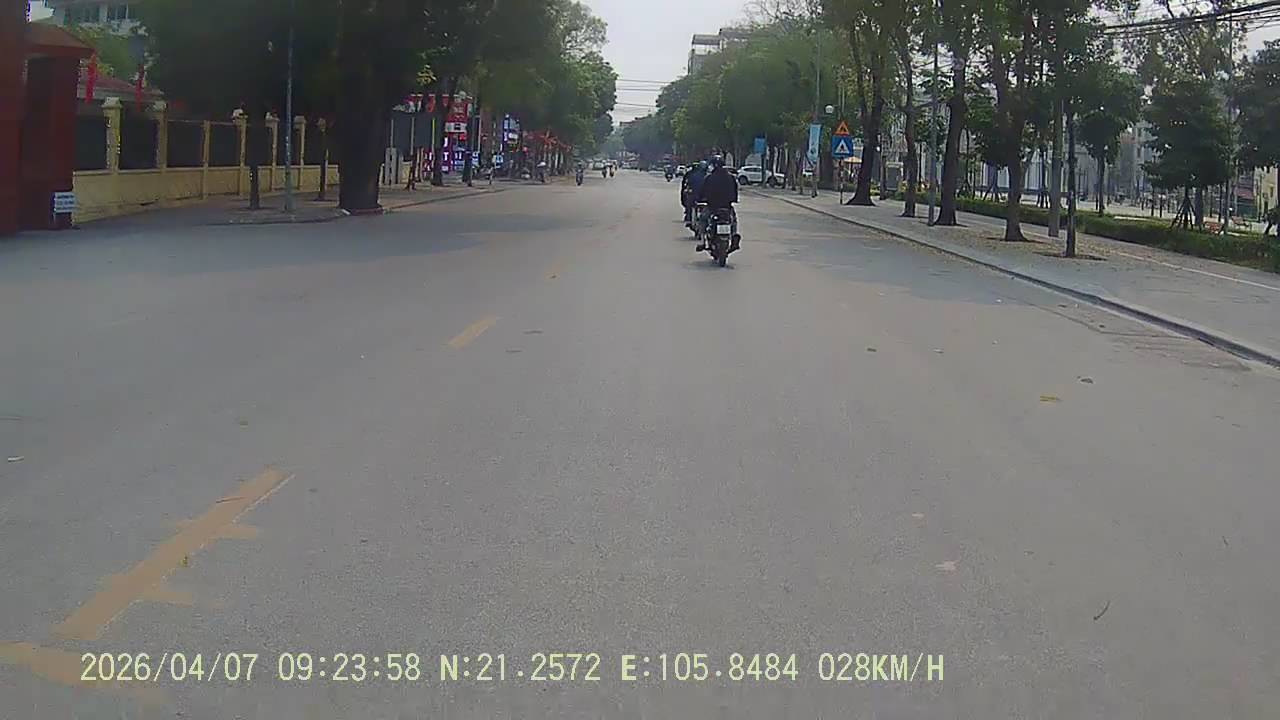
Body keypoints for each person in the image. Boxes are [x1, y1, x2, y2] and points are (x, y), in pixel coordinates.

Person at [695, 155, 740, 253]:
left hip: (712, 206)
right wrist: (733, 200)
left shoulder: (709, 178)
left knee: (702, 219)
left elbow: (702, 191)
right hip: (726, 206)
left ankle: (702, 241)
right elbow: (735, 192)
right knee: (733, 221)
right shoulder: (731, 177)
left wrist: (700, 199)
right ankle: (734, 236)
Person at [681, 160, 709, 225]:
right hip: (700, 195)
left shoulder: (707, 175)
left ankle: (689, 219)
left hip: (699, 196)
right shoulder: (706, 175)